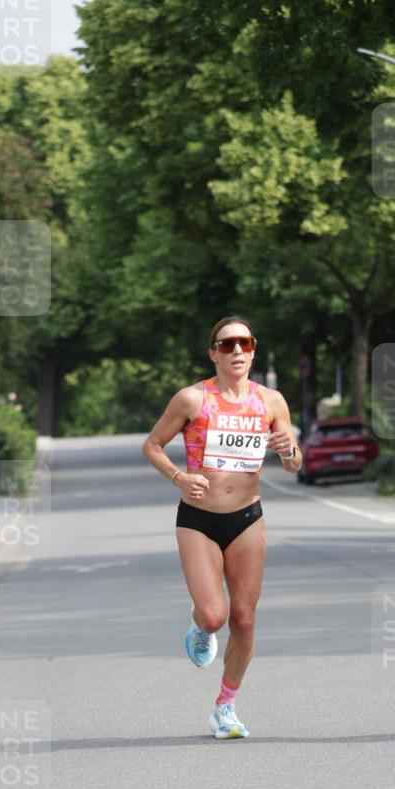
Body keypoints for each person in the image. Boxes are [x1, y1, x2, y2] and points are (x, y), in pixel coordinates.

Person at [142, 316, 302, 739]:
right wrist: (179, 477)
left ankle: (225, 706)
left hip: (248, 517)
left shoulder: (270, 401)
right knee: (215, 615)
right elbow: (152, 445)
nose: (236, 352)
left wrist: (290, 451)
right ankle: (199, 626)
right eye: (226, 345)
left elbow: (293, 460)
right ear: (213, 352)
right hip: (198, 518)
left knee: (245, 621)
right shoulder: (192, 400)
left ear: (253, 350)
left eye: (244, 344)